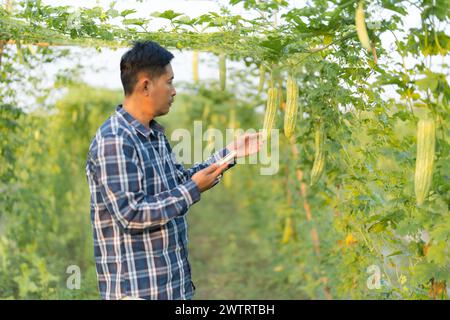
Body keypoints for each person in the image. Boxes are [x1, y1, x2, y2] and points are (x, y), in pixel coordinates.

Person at [85, 40, 263, 300]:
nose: (174, 90)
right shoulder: (114, 139)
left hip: (170, 288)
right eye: (169, 82)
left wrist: (231, 153)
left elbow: (179, 181)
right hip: (137, 292)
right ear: (146, 85)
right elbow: (131, 215)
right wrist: (192, 190)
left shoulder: (153, 134)